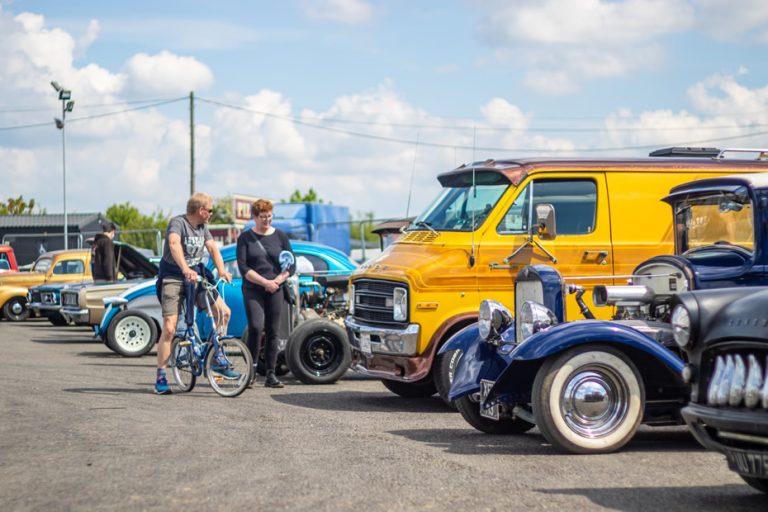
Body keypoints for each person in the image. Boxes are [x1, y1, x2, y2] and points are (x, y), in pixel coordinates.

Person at [154, 193, 233, 395]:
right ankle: (161, 376)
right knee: (170, 328)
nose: (212, 214)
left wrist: (222, 270)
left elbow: (213, 249)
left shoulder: (202, 228)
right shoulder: (178, 223)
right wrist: (184, 268)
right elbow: (173, 244)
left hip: (196, 277)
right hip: (173, 278)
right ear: (201, 211)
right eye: (211, 210)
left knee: (224, 312)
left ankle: (217, 357)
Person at [236, 198, 295, 388]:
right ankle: (251, 371)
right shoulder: (245, 238)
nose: (267, 220)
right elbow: (243, 267)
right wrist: (265, 282)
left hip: (276, 288)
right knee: (255, 327)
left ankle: (271, 374)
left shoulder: (280, 236)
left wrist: (277, 280)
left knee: (273, 332)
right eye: (263, 217)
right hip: (253, 288)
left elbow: (290, 265)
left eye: (269, 216)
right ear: (254, 217)